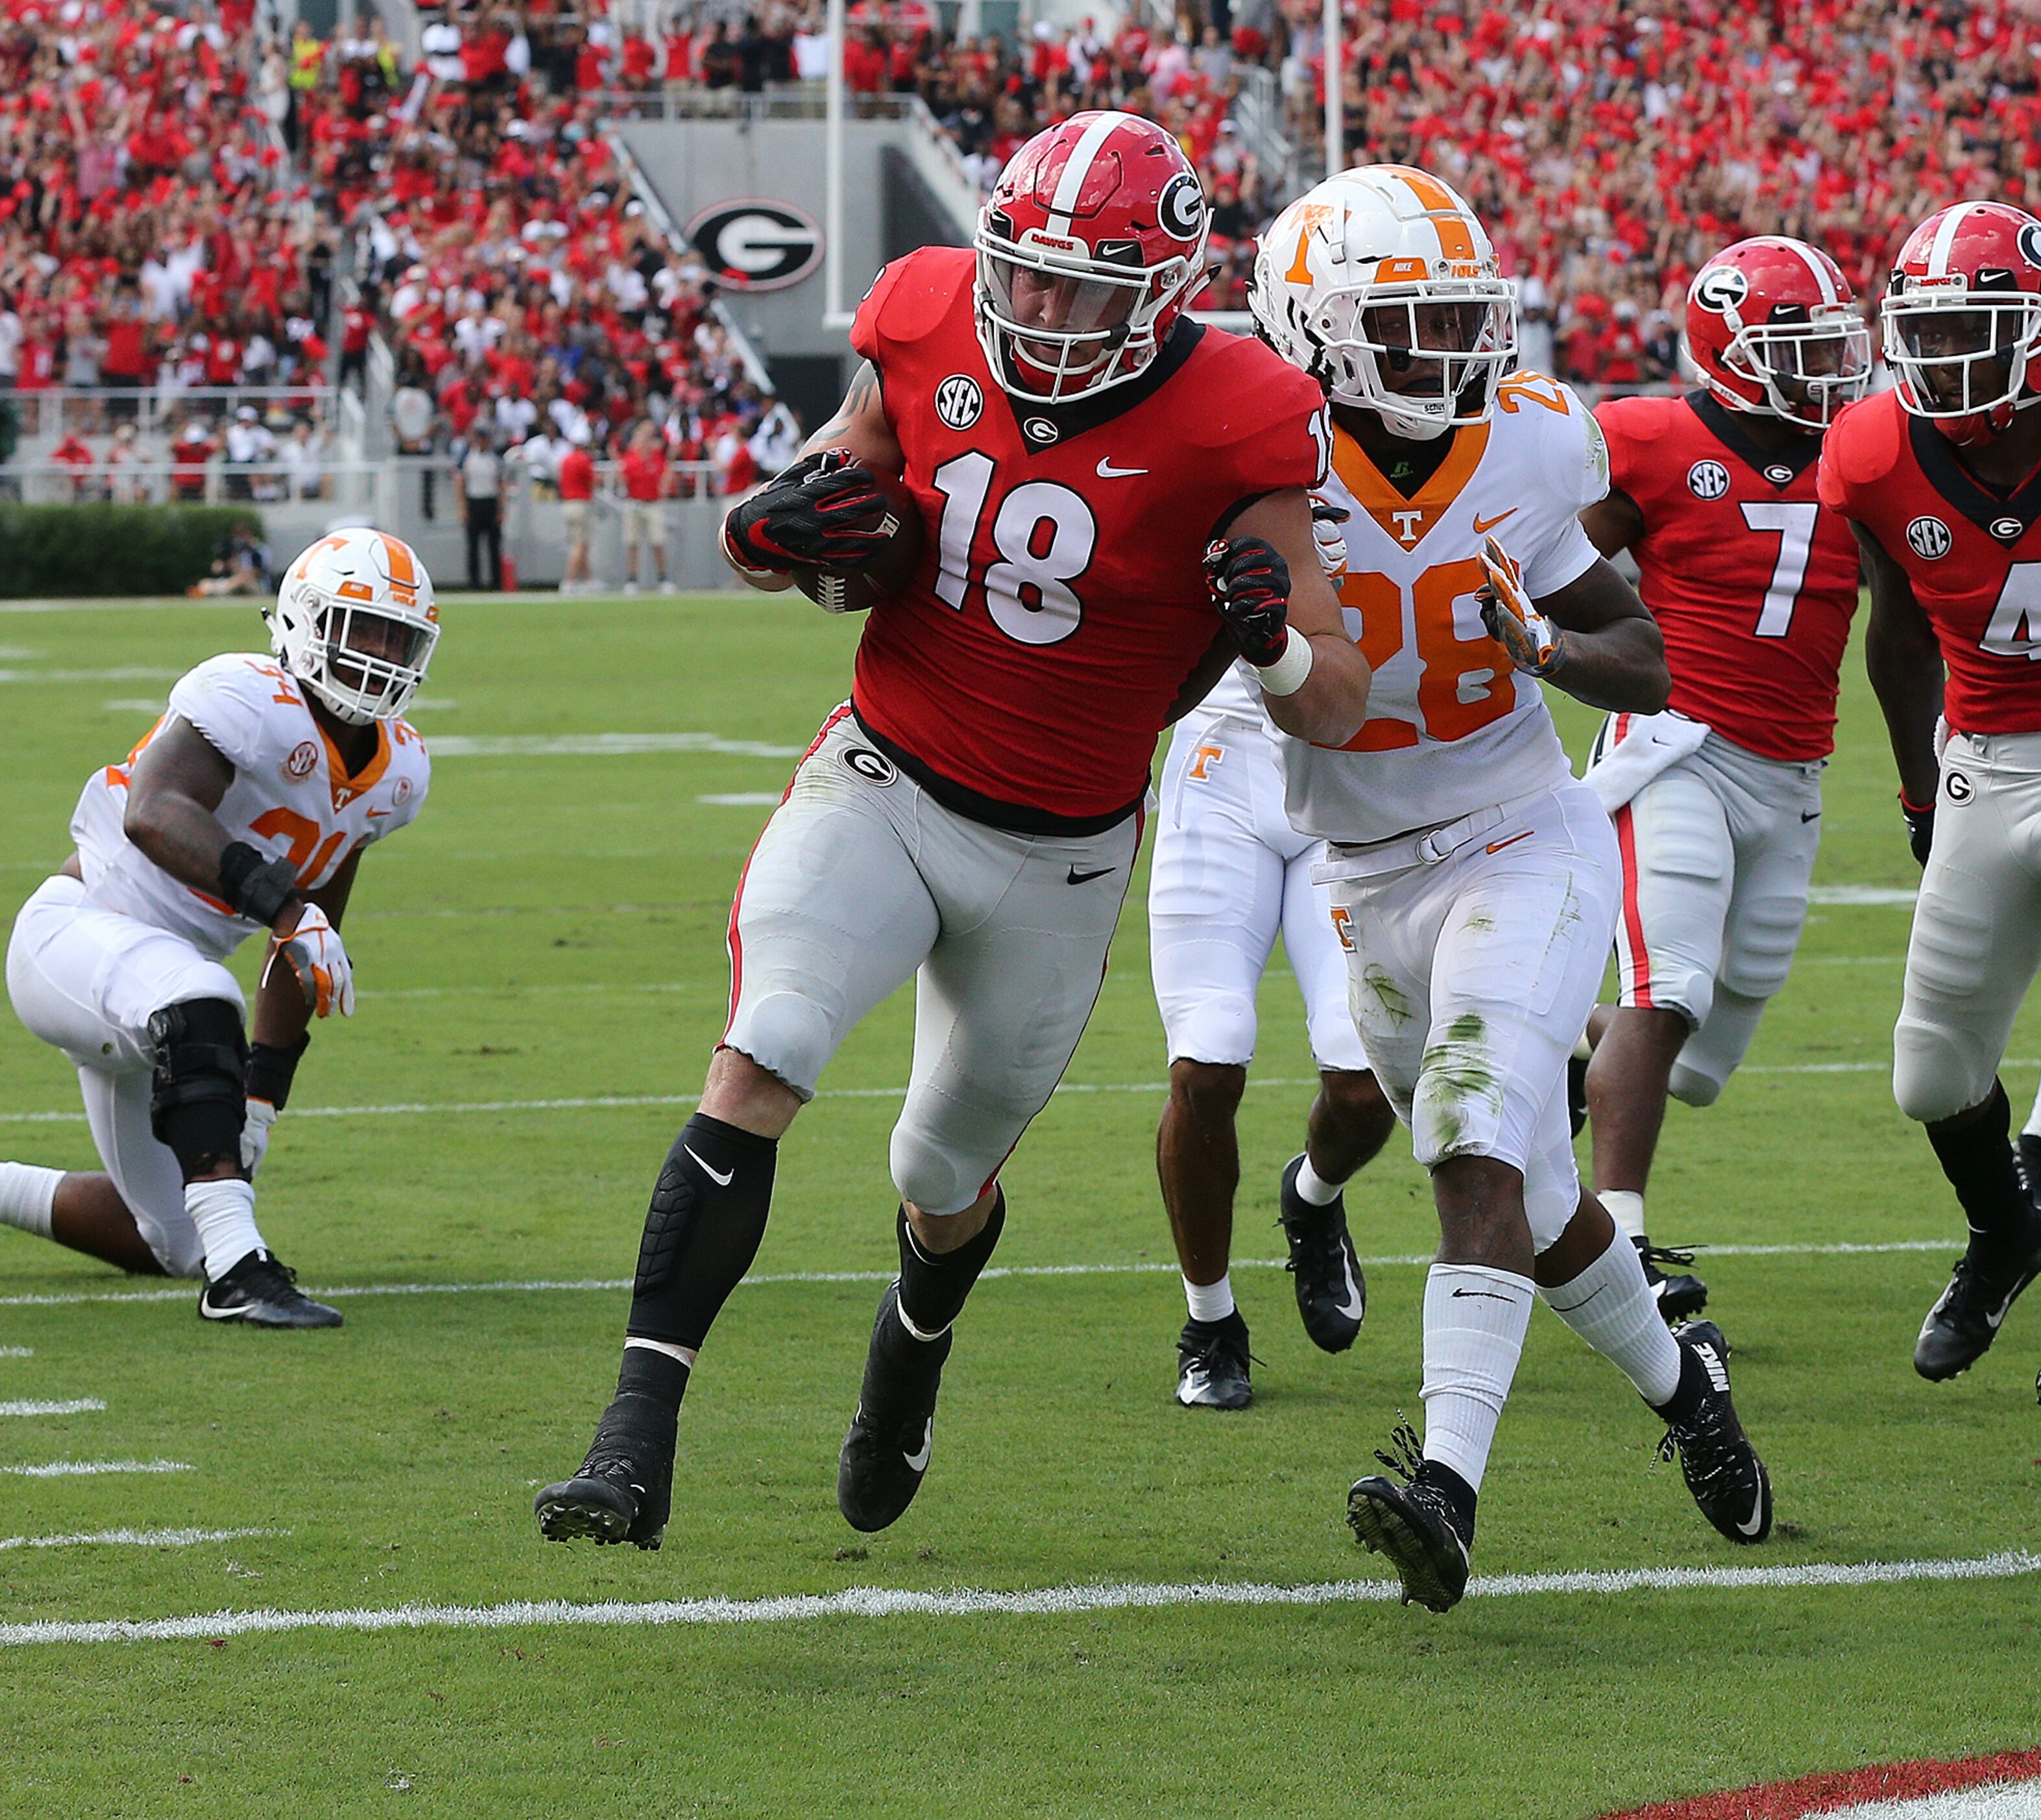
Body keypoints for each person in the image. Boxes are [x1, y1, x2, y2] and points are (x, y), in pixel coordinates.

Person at [532, 114, 1370, 1554]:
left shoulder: (1243, 409)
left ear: (1165, 290)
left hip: (1058, 854)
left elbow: (1338, 697)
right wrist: (770, 535)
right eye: (1024, 274)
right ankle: (632, 1435)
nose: (1038, 308)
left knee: (940, 1173)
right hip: (886, 774)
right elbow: (821, 493)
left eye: (1080, 284)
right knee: (763, 1053)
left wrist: (1274, 649)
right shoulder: (925, 308)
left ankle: (908, 1353)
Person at [1251, 164, 1772, 1612]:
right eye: (1407, 328)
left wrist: (1539, 638)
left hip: (1517, 834)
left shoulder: (1530, 443)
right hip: (1366, 868)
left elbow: (1646, 657)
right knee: (1536, 1209)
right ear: (1315, 331)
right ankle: (1685, 1389)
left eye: (1458, 322)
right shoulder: (1264, 460)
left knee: (1476, 1132)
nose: (1449, 356)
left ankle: (1447, 1494)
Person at [0, 529, 443, 1328]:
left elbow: (306, 942)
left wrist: (263, 1099)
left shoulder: (398, 771)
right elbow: (155, 812)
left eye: (397, 637)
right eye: (361, 627)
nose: (379, 653)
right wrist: (283, 907)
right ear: (305, 621)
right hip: (77, 937)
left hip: (160, 996)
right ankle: (239, 1277)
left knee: (174, 1240)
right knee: (204, 1001)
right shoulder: (245, 691)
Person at [1573, 237, 1871, 1321]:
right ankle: (1625, 1247)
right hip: (1677, 750)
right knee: (1672, 991)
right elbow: (1559, 564)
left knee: (1699, 1055)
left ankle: (1571, 1042)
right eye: (1800, 345)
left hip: (1794, 774)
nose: (1829, 365)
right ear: (1730, 350)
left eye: (1836, 341)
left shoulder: (1866, 450)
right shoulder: (1652, 438)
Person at [1817, 200, 2041, 1461]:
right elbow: (1902, 634)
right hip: (1987, 759)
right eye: (1933, 331)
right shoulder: (1873, 449)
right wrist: (1921, 794)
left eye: (1980, 329)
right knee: (1930, 1071)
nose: (1952, 357)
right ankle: (2010, 1228)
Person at [1149, 492, 1399, 1407]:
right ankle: (1210, 1319)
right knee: (1206, 1060)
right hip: (1223, 756)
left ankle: (1316, 1196)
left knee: (1365, 1076)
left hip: (1349, 758)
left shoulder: (1436, 436)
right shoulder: (1225, 420)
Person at [619, 419, 674, 594]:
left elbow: (666, 472)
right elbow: (623, 479)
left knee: (658, 542)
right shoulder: (630, 458)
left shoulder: (656, 457)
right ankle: (632, 578)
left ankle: (663, 578)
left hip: (653, 503)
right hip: (635, 502)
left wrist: (665, 484)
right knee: (632, 542)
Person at [457, 427, 504, 590]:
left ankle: (496, 583)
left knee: (494, 546)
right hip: (474, 501)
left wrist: (501, 509)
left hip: (490, 501)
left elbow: (500, 485)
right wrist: (463, 508)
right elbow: (461, 483)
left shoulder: (495, 459)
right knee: (473, 546)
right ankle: (474, 583)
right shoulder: (468, 458)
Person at [557, 434, 598, 593]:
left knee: (579, 543)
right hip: (581, 503)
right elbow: (592, 481)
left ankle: (589, 580)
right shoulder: (584, 459)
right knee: (580, 544)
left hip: (568, 503)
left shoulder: (565, 460)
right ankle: (569, 580)